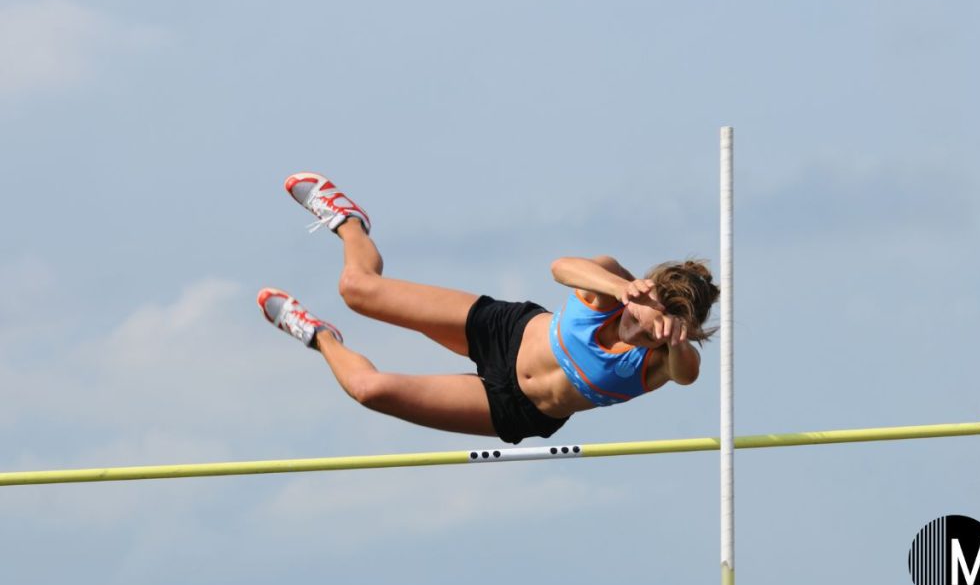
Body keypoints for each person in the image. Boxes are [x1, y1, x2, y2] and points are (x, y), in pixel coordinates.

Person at [258, 172, 720, 444]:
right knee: (356, 288)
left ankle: (317, 335)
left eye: (655, 329)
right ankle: (348, 222)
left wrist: (673, 336)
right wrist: (621, 289)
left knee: (369, 390)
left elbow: (687, 373)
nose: (642, 329)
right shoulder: (614, 293)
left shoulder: (668, 360)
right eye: (645, 313)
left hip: (514, 408)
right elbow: (562, 267)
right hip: (505, 331)